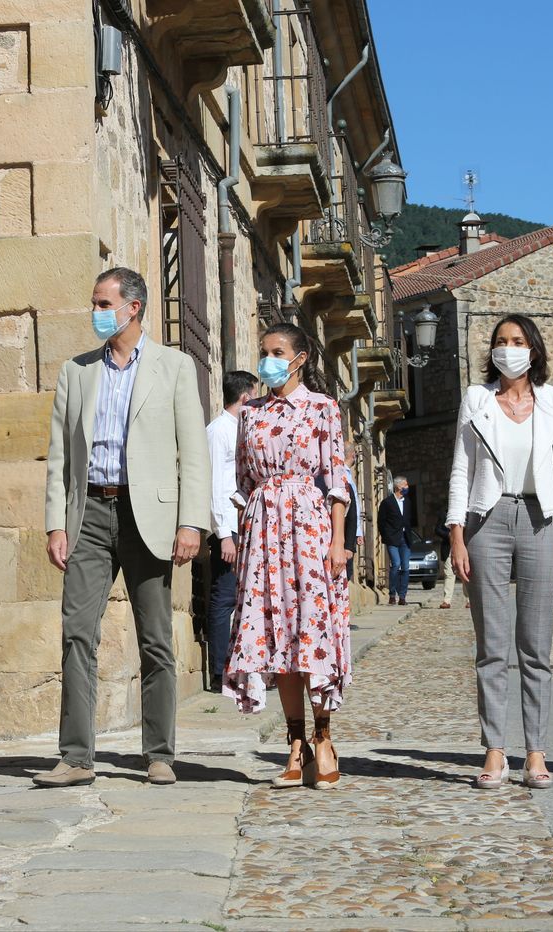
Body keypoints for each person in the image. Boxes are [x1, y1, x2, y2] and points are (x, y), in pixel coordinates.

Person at [38, 267, 210, 788]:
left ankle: (159, 753)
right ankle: (75, 757)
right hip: (88, 513)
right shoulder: (77, 370)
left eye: (102, 302)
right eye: (94, 303)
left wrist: (191, 522)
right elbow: (59, 456)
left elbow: (193, 453)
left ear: (132, 307)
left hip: (149, 515)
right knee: (76, 634)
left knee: (155, 639)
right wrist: (54, 523)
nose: (95, 311)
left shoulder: (175, 368)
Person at [447, 314, 553, 790]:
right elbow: (461, 468)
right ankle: (494, 751)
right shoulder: (477, 399)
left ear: (533, 349)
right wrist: (457, 532)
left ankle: (536, 752)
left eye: (518, 340)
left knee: (535, 643)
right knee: (491, 645)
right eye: (501, 341)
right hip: (488, 519)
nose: (509, 348)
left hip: (542, 520)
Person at [223, 322, 349, 790]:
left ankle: (323, 737)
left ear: (299, 358)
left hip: (310, 527)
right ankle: (294, 744)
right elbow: (242, 482)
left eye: (277, 351)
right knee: (277, 636)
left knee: (310, 631)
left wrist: (337, 542)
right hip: (263, 528)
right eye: (263, 351)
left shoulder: (323, 409)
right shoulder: (250, 414)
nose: (267, 360)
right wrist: (243, 537)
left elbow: (337, 480)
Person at [204, 370, 258, 692]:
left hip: (245, 527)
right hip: (229, 530)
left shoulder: (241, 431)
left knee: (243, 600)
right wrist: (223, 532)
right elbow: (214, 484)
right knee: (224, 599)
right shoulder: (218, 431)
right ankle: (220, 672)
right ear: (245, 397)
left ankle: (242, 669)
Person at [377, 476, 415, 605]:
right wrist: (386, 536)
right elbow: (381, 522)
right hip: (392, 539)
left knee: (405, 567)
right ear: (399, 486)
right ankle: (392, 594)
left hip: (405, 539)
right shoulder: (387, 502)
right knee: (396, 564)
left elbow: (409, 520)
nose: (407, 487)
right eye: (405, 485)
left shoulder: (408, 502)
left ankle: (402, 596)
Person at [342, 465, 361, 585]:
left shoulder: (346, 485)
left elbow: (353, 515)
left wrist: (349, 545)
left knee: (346, 574)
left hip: (344, 536)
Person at [434, 512, 455, 609]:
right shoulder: (445, 513)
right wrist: (448, 535)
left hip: (464, 546)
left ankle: (469, 599)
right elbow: (437, 529)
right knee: (449, 573)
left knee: (465, 573)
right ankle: (447, 600)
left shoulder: (468, 512)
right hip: (448, 547)